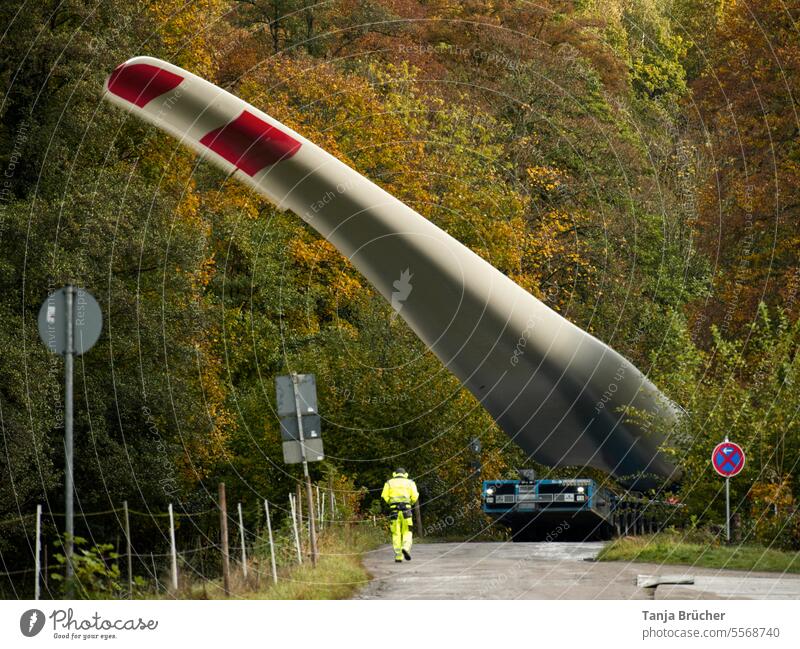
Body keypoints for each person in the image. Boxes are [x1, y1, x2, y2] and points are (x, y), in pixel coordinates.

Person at [381, 468, 419, 562]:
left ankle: (398, 556)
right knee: (407, 531)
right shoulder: (410, 482)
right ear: (405, 474)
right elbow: (415, 496)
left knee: (396, 533)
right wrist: (409, 502)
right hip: (406, 511)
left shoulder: (389, 483)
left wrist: (391, 503)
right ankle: (405, 548)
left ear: (395, 474)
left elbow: (384, 496)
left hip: (394, 511)